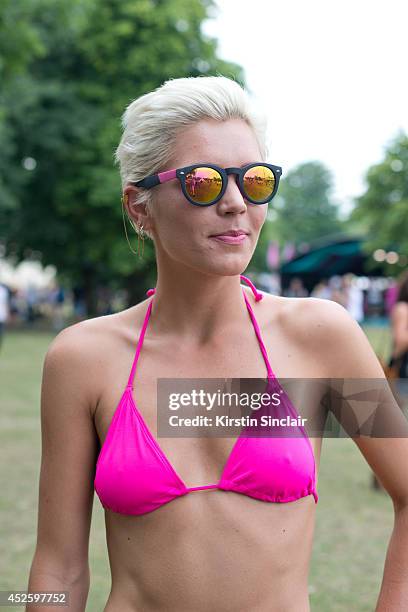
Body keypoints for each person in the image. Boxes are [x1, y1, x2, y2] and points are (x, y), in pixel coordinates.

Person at [26, 76, 408, 611]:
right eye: (202, 182)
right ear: (139, 206)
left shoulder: (323, 337)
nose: (234, 204)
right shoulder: (83, 359)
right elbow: (57, 569)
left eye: (253, 180)